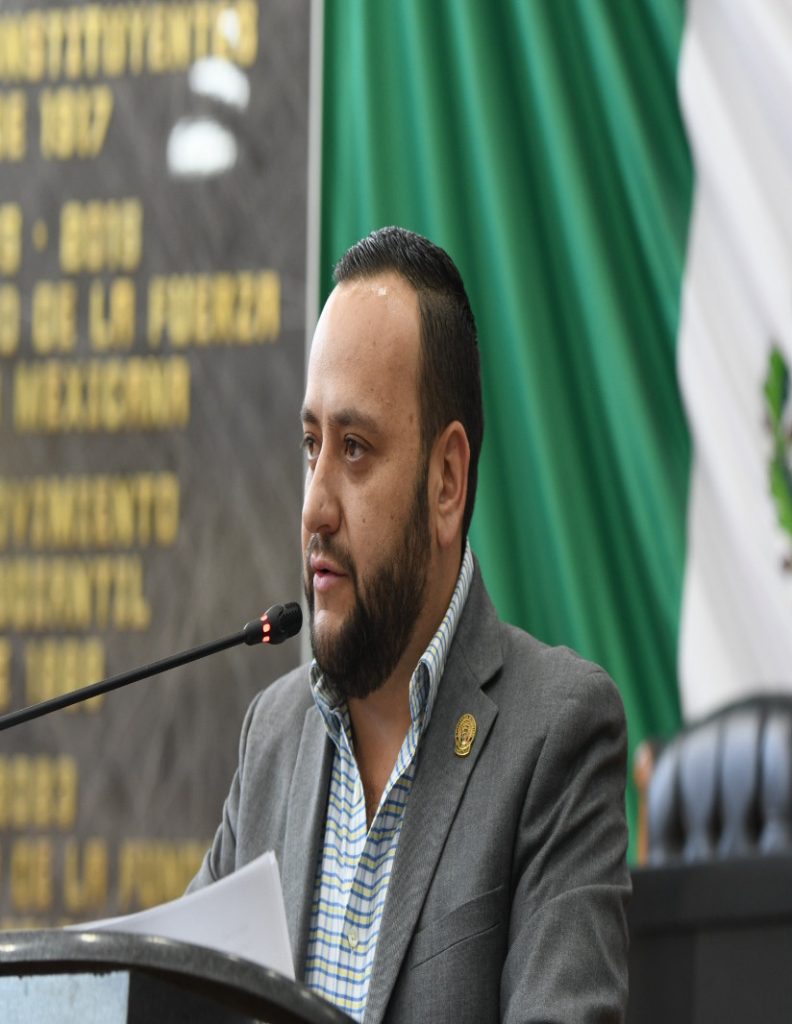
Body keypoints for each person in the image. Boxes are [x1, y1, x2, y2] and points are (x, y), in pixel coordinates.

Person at [190, 226, 631, 1023]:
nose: (315, 508)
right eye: (311, 446)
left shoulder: (555, 735)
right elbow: (171, 991)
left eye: (355, 449)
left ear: (446, 481)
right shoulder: (272, 739)